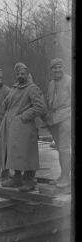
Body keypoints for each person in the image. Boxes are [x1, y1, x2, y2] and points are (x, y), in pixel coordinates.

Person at [0, 62, 46, 192]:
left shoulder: (32, 88)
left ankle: (29, 180)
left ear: (27, 74)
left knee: (27, 154)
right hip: (11, 126)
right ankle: (16, 178)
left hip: (25, 126)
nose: (20, 76)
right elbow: (10, 102)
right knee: (15, 153)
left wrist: (24, 116)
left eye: (23, 73)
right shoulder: (15, 88)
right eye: (18, 74)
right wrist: (5, 104)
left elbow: (40, 107)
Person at [45, 58, 71, 188]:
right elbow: (49, 102)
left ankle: (66, 178)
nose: (57, 70)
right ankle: (62, 176)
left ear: (63, 67)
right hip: (54, 119)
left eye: (59, 67)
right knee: (59, 148)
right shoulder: (50, 84)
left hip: (67, 117)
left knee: (65, 148)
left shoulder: (69, 81)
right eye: (55, 68)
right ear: (51, 70)